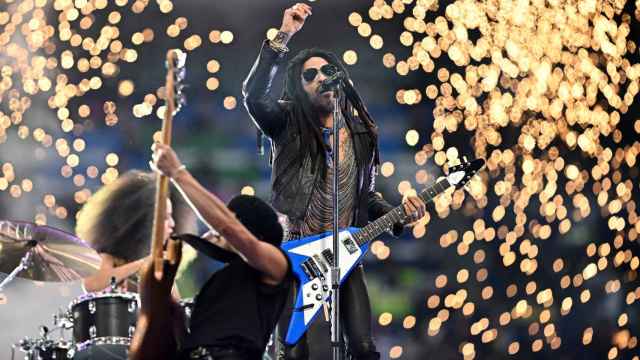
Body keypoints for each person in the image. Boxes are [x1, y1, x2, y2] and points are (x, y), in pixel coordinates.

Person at [242, 4, 428, 359]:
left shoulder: (362, 134)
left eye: (328, 70)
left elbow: (365, 196)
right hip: (295, 252)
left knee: (362, 347)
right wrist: (285, 35)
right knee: (292, 353)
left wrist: (398, 214)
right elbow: (253, 96)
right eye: (310, 75)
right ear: (299, 89)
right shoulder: (286, 122)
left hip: (344, 254)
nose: (321, 77)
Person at [136, 143, 294, 360]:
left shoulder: (277, 265)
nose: (213, 232)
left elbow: (229, 228)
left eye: (225, 222)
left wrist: (177, 173)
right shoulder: (220, 281)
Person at [76, 170, 194, 293]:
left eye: (171, 216)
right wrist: (144, 263)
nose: (172, 224)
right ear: (143, 222)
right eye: (165, 218)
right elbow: (92, 285)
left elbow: (174, 306)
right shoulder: (109, 258)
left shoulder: (161, 269)